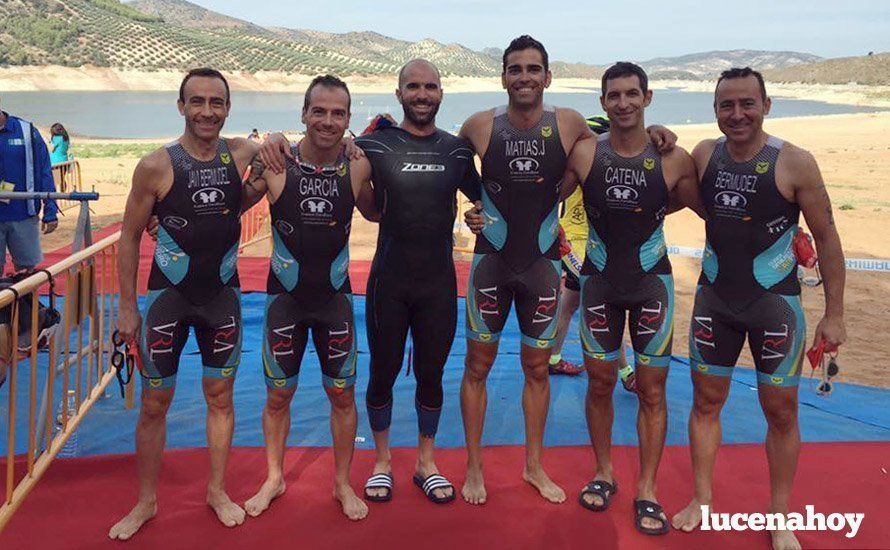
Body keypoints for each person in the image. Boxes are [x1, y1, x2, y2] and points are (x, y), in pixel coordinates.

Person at [458, 38, 676, 506]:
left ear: (548, 77)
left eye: (533, 68)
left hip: (541, 265)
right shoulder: (478, 126)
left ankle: (534, 467)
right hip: (489, 262)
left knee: (538, 368)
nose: (524, 76)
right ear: (503, 77)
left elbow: (620, 143)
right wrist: (469, 208)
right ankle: (474, 468)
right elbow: (444, 168)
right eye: (515, 68)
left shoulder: (571, 124)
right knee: (477, 367)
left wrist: (657, 132)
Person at [259, 59, 481, 506]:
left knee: (431, 374)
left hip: (439, 284)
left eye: (430, 87)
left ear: (441, 93)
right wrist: (274, 139)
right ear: (399, 94)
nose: (422, 94)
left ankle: (426, 462)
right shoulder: (372, 147)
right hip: (389, 281)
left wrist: (478, 216)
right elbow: (323, 154)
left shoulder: (457, 151)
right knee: (380, 371)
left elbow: (484, 200)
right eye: (413, 87)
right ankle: (381, 463)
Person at [671, 67, 846, 550]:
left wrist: (835, 312)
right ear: (714, 110)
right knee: (706, 403)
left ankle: (780, 516)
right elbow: (662, 188)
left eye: (747, 103)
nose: (737, 113)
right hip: (714, 302)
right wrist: (657, 137)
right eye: (726, 104)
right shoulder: (704, 155)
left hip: (775, 306)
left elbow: (828, 237)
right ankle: (702, 500)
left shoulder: (795, 163)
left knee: (782, 412)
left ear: (767, 106)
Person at [109, 68, 257, 540]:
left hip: (222, 298)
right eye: (197, 101)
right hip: (167, 298)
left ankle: (216, 490)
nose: (207, 111)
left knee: (220, 397)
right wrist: (128, 307)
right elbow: (129, 236)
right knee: (154, 403)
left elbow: (287, 149)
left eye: (217, 102)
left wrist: (356, 146)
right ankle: (147, 501)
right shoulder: (156, 165)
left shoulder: (241, 153)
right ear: (181, 106)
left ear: (229, 108)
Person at [554, 62, 701, 535]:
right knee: (599, 385)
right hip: (599, 284)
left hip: (650, 285)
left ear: (648, 97)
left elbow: (709, 207)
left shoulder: (674, 158)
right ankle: (603, 472)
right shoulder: (584, 154)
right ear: (602, 103)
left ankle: (648, 489)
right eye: (613, 95)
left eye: (631, 94)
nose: (622, 103)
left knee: (652, 391)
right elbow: (540, 193)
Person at [241, 75, 377, 522]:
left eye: (338, 113)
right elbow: (227, 205)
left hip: (335, 302)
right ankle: (274, 477)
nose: (327, 120)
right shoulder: (277, 165)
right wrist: (162, 219)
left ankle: (341, 483)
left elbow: (382, 209)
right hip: (286, 303)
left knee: (342, 395)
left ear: (349, 119)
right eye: (318, 111)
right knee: (278, 395)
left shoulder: (357, 166)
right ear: (303, 114)